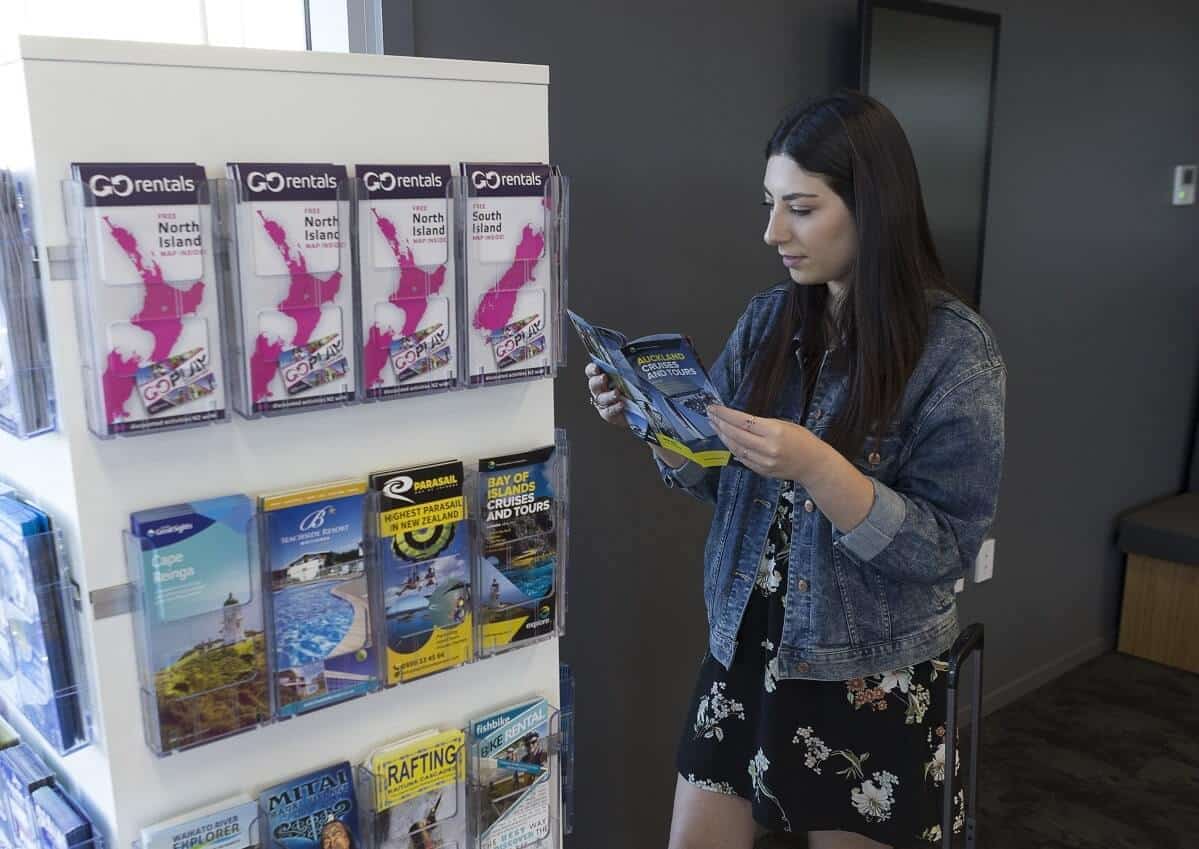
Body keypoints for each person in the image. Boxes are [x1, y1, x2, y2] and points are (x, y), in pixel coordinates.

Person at [585, 91, 1005, 849]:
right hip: (746, 643)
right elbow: (721, 476)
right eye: (770, 204)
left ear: (872, 208)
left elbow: (943, 549)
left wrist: (817, 467)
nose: (772, 231)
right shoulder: (769, 319)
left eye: (800, 208)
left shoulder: (953, 352)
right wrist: (650, 421)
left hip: (868, 670)